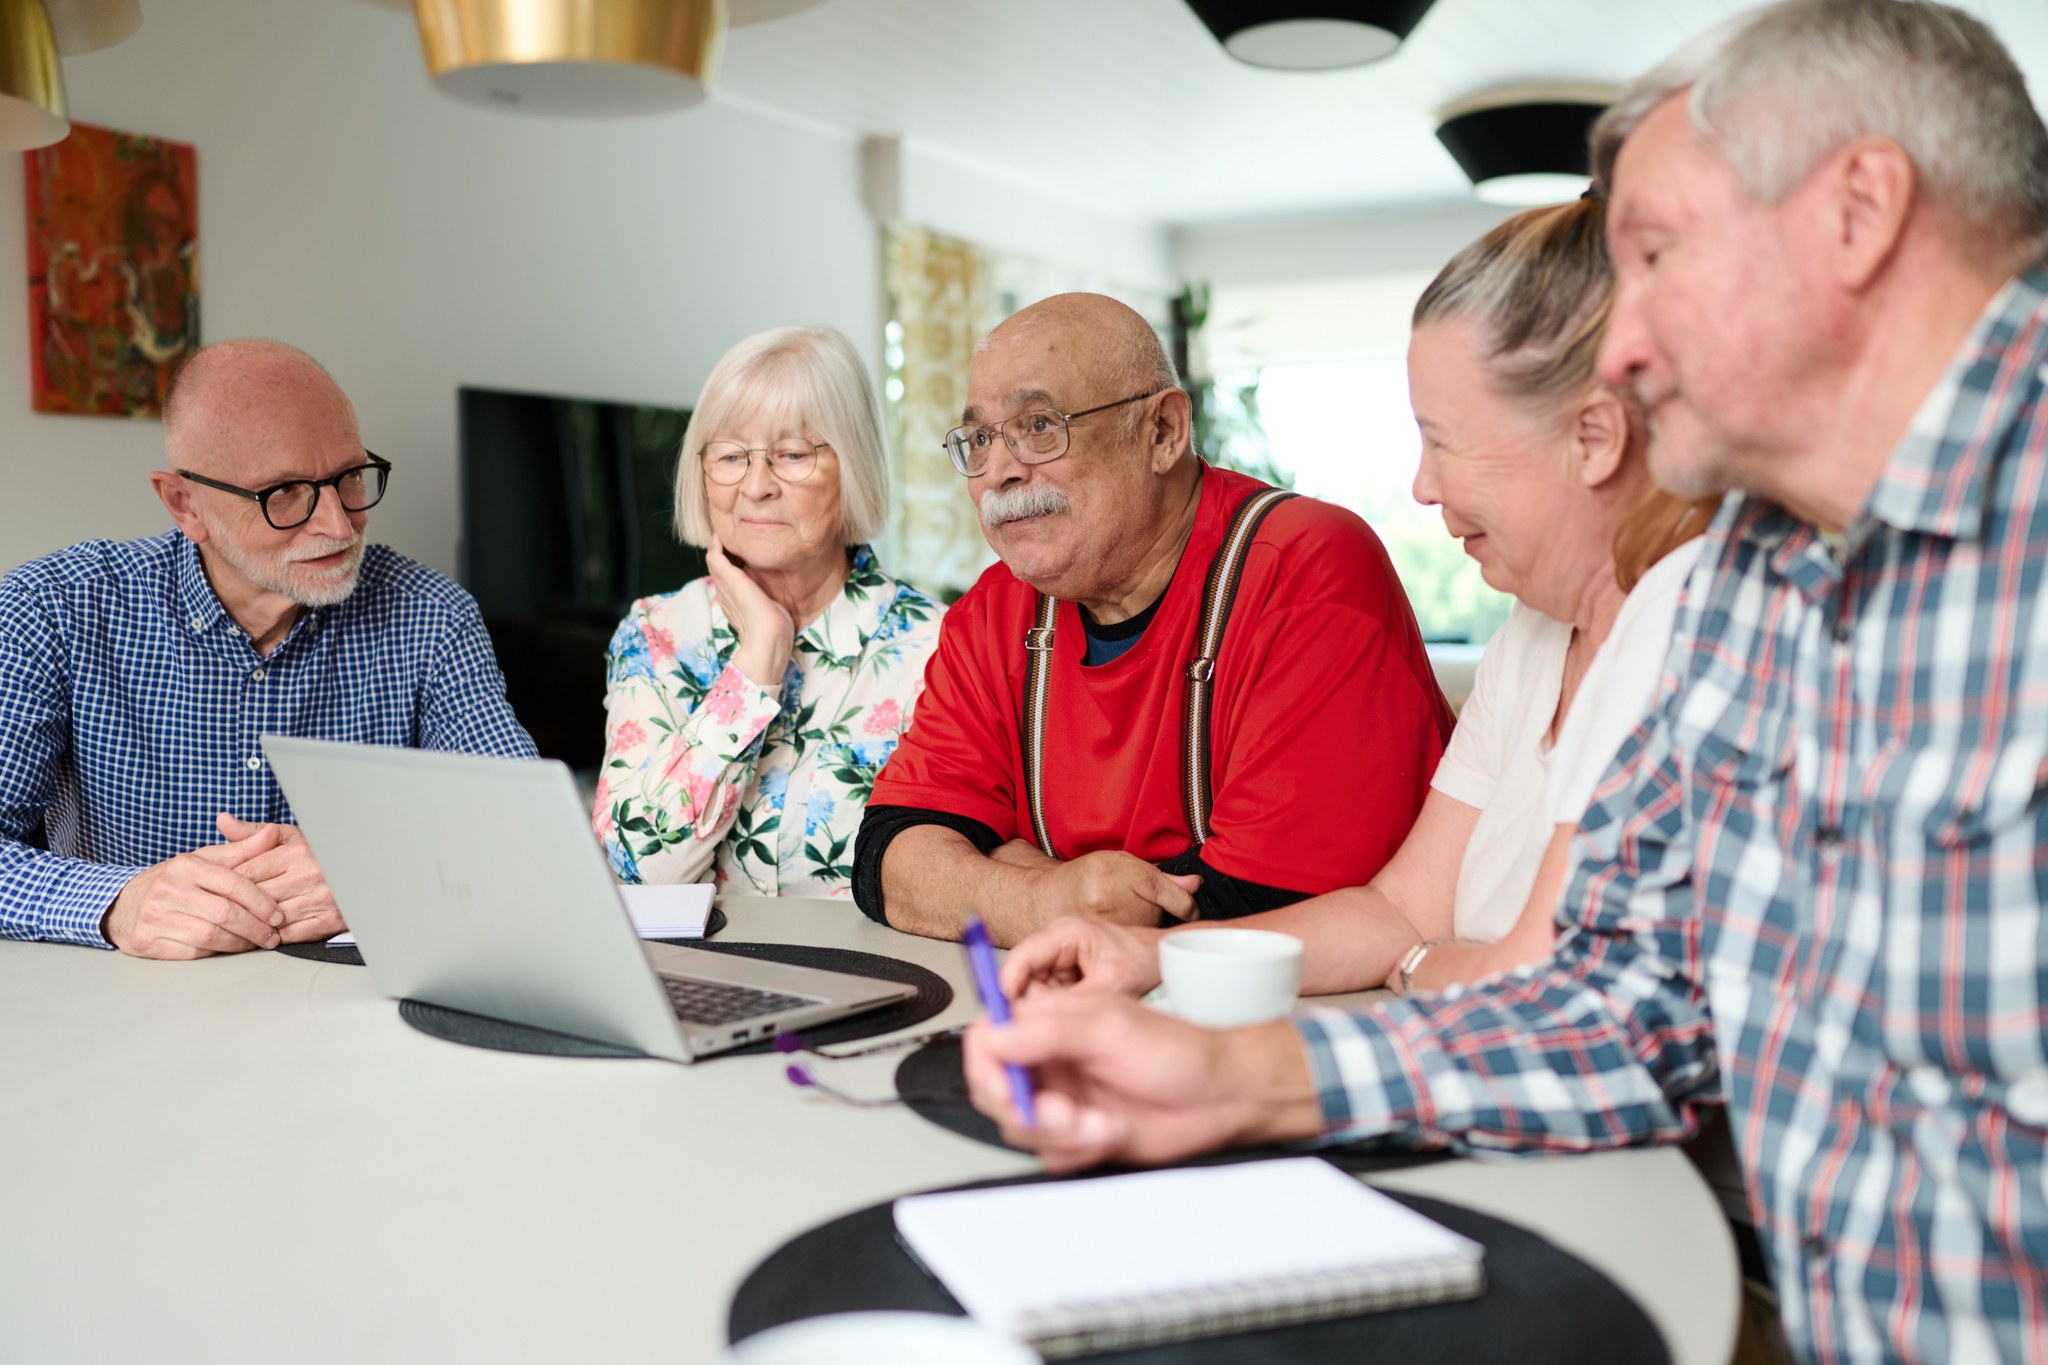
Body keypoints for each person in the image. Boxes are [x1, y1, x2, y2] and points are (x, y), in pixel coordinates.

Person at [964, 3, 2048, 1360]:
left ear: (1859, 211)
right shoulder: (1764, 580)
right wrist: (1229, 1072)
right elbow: (1619, 1008)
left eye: (1654, 256)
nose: (1628, 347)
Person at [1003, 200, 1716, 1003]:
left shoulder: (1684, 626)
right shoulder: (1537, 635)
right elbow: (1399, 909)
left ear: (1593, 440)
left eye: (1444, 441)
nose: (1421, 485)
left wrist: (1417, 967)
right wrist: (1147, 956)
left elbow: (1537, 982)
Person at [853, 292, 1455, 945]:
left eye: (1039, 426)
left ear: (1163, 431)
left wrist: (991, 866)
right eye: (979, 439)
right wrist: (1041, 898)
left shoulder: (1306, 569)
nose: (998, 471)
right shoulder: (994, 612)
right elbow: (890, 859)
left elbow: (1260, 906)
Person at [0, 339, 536, 959]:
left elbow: (520, 832)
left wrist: (374, 867)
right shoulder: (53, 610)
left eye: (350, 477)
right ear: (185, 504)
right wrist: (120, 902)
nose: (339, 525)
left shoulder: (432, 615)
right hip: (131, 1013)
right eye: (284, 492)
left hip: (357, 1013)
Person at [593, 325, 943, 897]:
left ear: (851, 466)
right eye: (731, 456)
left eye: (792, 455)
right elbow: (640, 871)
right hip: (690, 983)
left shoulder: (940, 649)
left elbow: (941, 880)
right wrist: (757, 659)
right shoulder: (655, 634)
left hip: (877, 979)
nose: (756, 485)